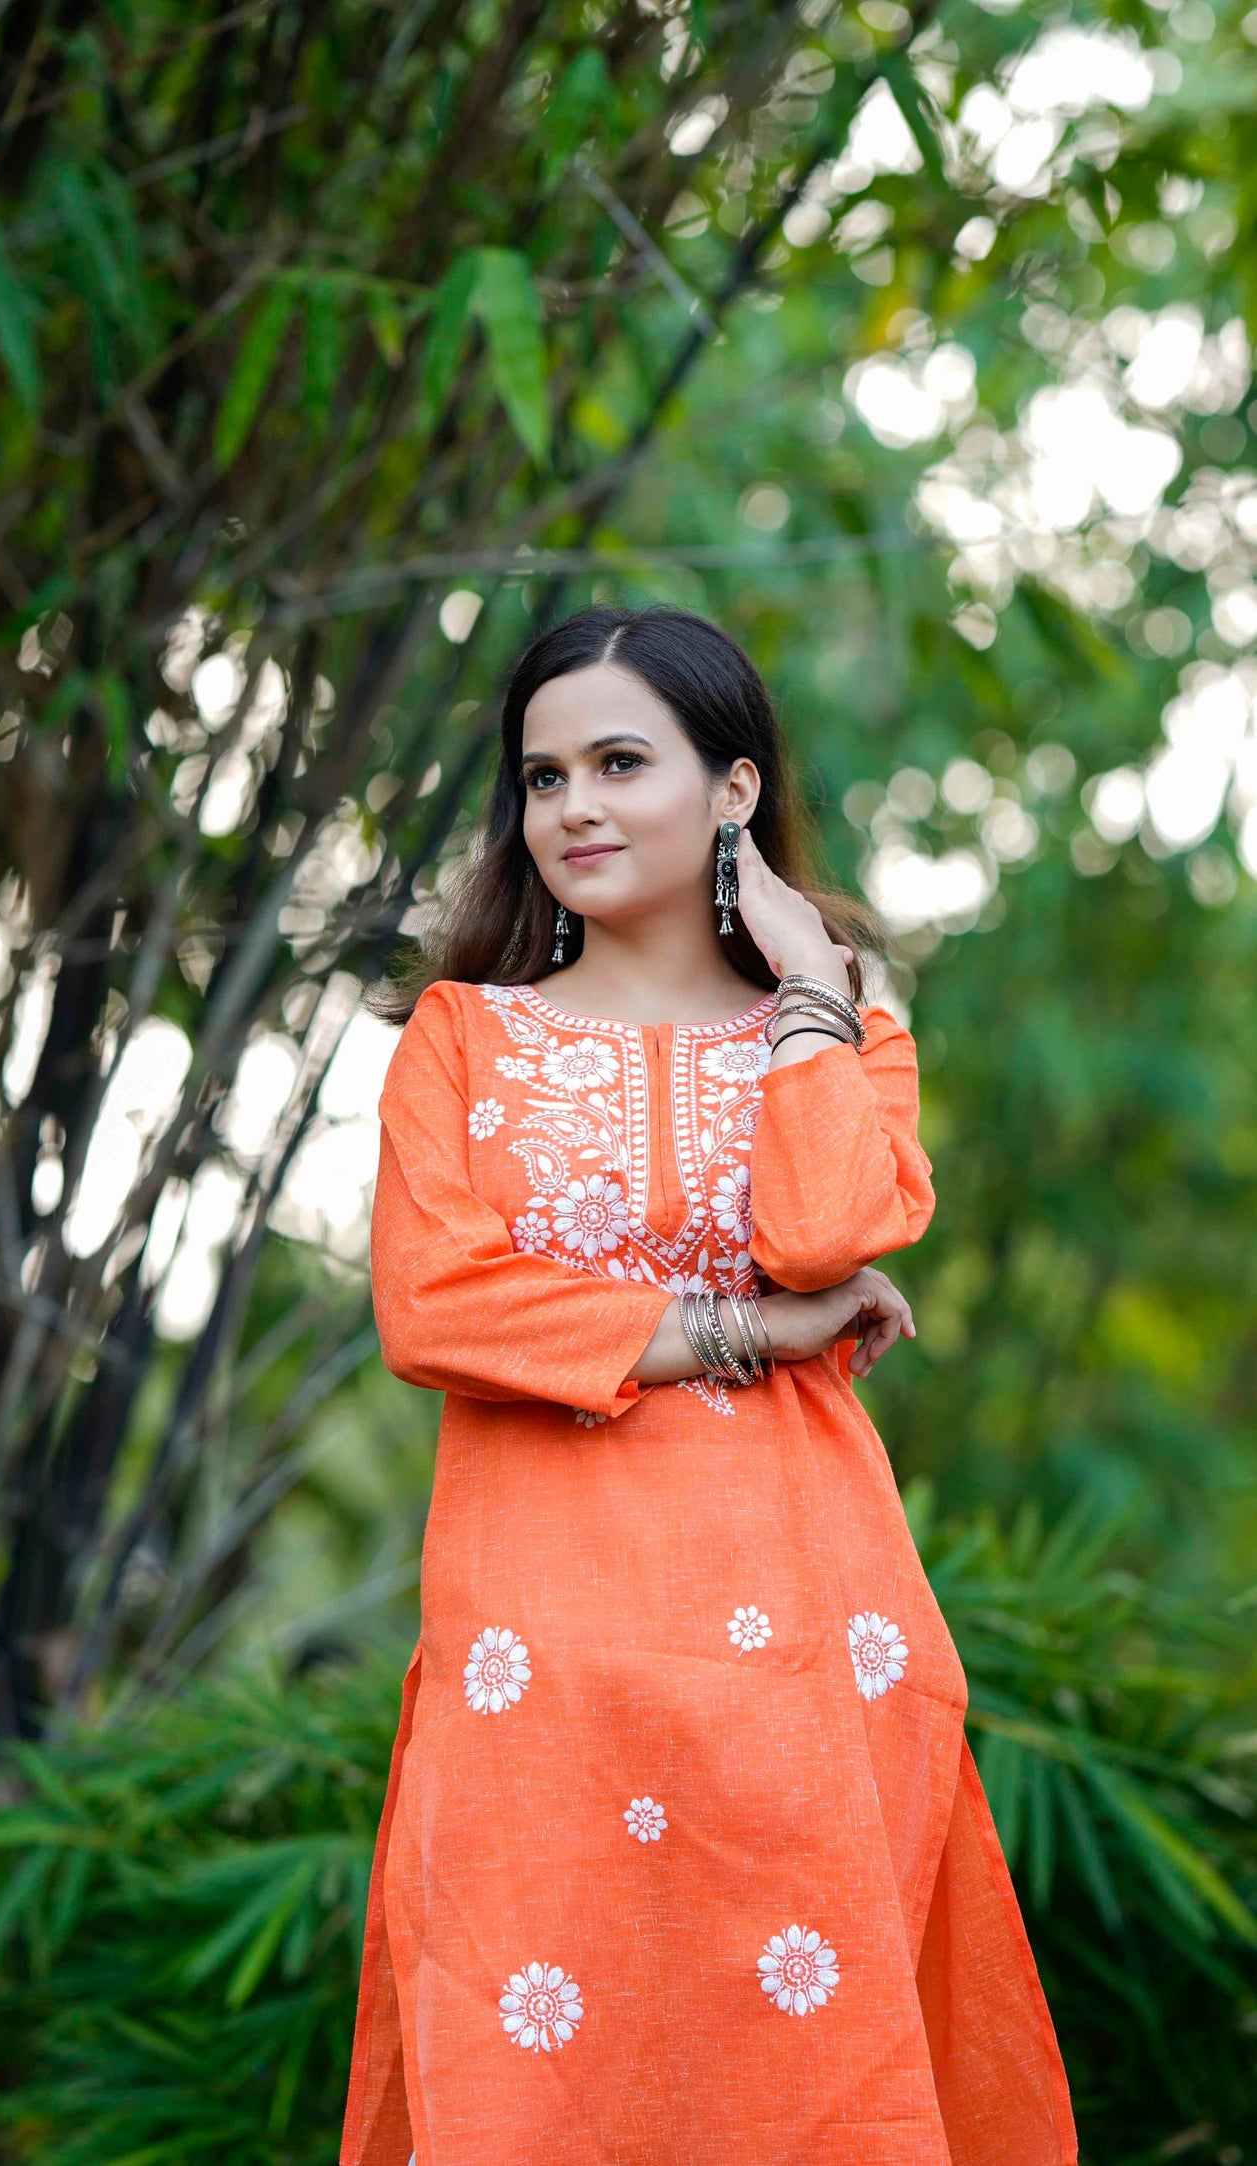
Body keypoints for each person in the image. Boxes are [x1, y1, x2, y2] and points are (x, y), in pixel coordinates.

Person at [339, 606, 1076, 2166]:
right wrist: (751, 1331)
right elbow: (434, 1307)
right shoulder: (463, 1041)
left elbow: (822, 1228)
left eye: (620, 762)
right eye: (543, 777)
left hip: (806, 1637)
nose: (573, 807)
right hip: (538, 1649)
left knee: (805, 2069)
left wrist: (808, 988)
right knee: (533, 2065)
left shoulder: (844, 1031)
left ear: (732, 787)